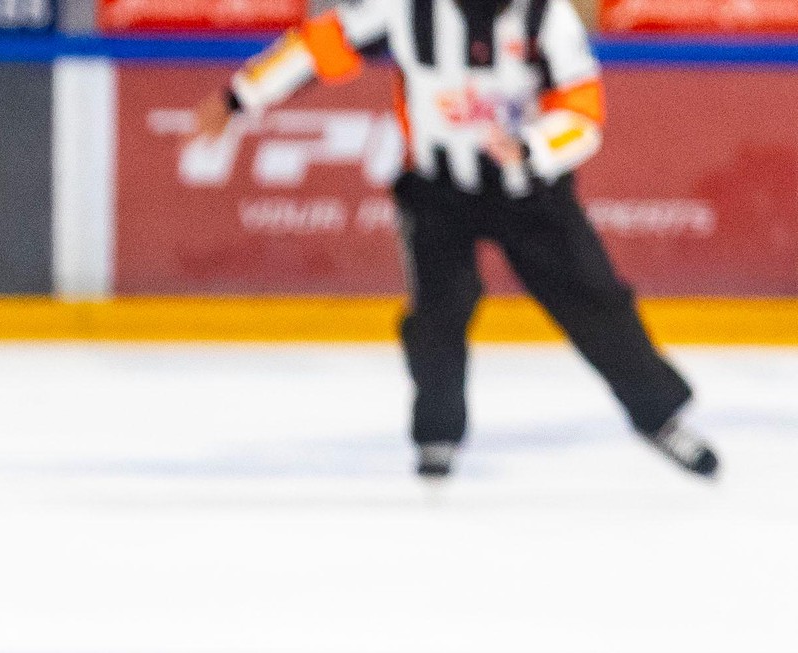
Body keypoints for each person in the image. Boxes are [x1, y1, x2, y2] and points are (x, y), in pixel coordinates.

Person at [191, 0, 719, 481]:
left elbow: (584, 115)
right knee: (438, 312)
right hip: (437, 190)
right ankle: (437, 436)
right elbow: (317, 46)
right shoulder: (401, 8)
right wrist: (239, 97)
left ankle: (659, 417)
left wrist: (531, 147)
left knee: (595, 300)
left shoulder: (546, 16)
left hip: (531, 192)